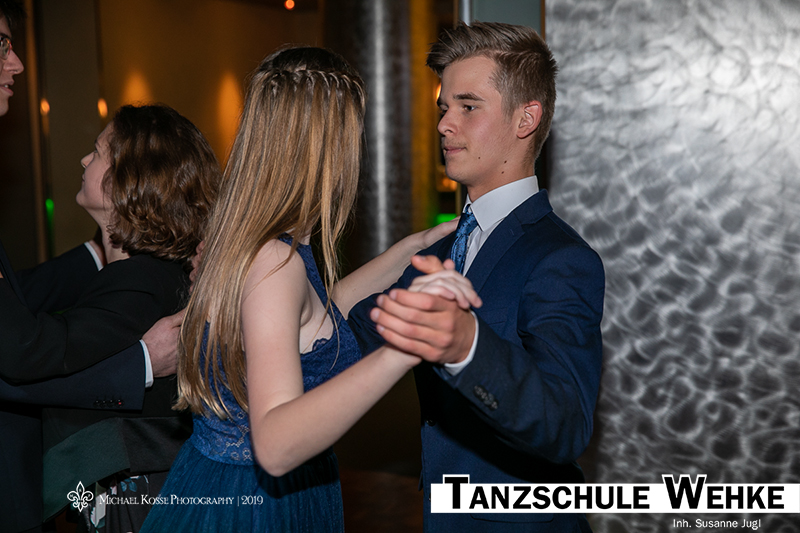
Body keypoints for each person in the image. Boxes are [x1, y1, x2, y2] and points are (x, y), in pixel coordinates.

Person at [139, 46, 470, 533]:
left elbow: (317, 319)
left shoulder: (269, 242)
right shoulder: (275, 263)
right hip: (255, 507)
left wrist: (413, 247)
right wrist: (405, 347)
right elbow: (275, 446)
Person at [347, 22, 605, 532]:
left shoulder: (561, 258)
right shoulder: (438, 252)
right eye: (444, 108)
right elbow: (342, 344)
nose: (445, 124)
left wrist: (469, 345)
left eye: (468, 107)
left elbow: (565, 424)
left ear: (526, 118)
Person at [0, 3, 183, 532]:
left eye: (98, 152)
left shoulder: (141, 283)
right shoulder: (142, 280)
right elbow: (23, 346)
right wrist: (139, 362)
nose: (17, 63)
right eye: (2, 45)